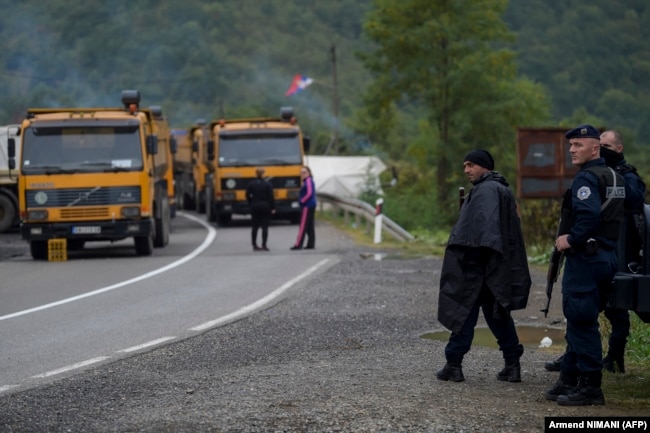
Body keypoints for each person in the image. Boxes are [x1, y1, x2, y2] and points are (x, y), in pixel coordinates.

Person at [543, 130, 645, 374]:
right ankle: (572, 360)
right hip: (603, 249)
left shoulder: (623, 175)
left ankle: (612, 356)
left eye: (608, 145)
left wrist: (573, 238)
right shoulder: (595, 174)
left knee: (612, 310)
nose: (573, 150)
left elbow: (634, 203)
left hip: (615, 249)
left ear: (616, 149)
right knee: (582, 314)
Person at [437, 150, 531, 383]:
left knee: (464, 311)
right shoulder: (500, 188)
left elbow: (483, 231)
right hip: (495, 265)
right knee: (497, 315)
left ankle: (454, 364)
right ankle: (512, 365)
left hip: (480, 265)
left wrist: (470, 259)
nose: (467, 170)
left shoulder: (486, 190)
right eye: (464, 166)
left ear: (484, 166)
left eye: (471, 165)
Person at [246, 167, 275, 251]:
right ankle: (264, 244)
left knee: (255, 226)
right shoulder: (267, 184)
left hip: (254, 206)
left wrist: (251, 202)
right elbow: (271, 197)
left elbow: (247, 195)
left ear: (256, 173)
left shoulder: (251, 184)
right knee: (264, 227)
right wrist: (273, 207)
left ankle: (254, 244)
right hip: (265, 206)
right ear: (263, 174)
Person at [291, 166, 316, 250]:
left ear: (309, 172)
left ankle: (298, 244)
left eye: (304, 172)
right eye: (301, 172)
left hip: (307, 205)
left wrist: (302, 200)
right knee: (309, 225)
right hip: (311, 204)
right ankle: (311, 243)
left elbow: (309, 193)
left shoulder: (308, 181)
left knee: (303, 224)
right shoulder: (308, 180)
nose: (303, 174)